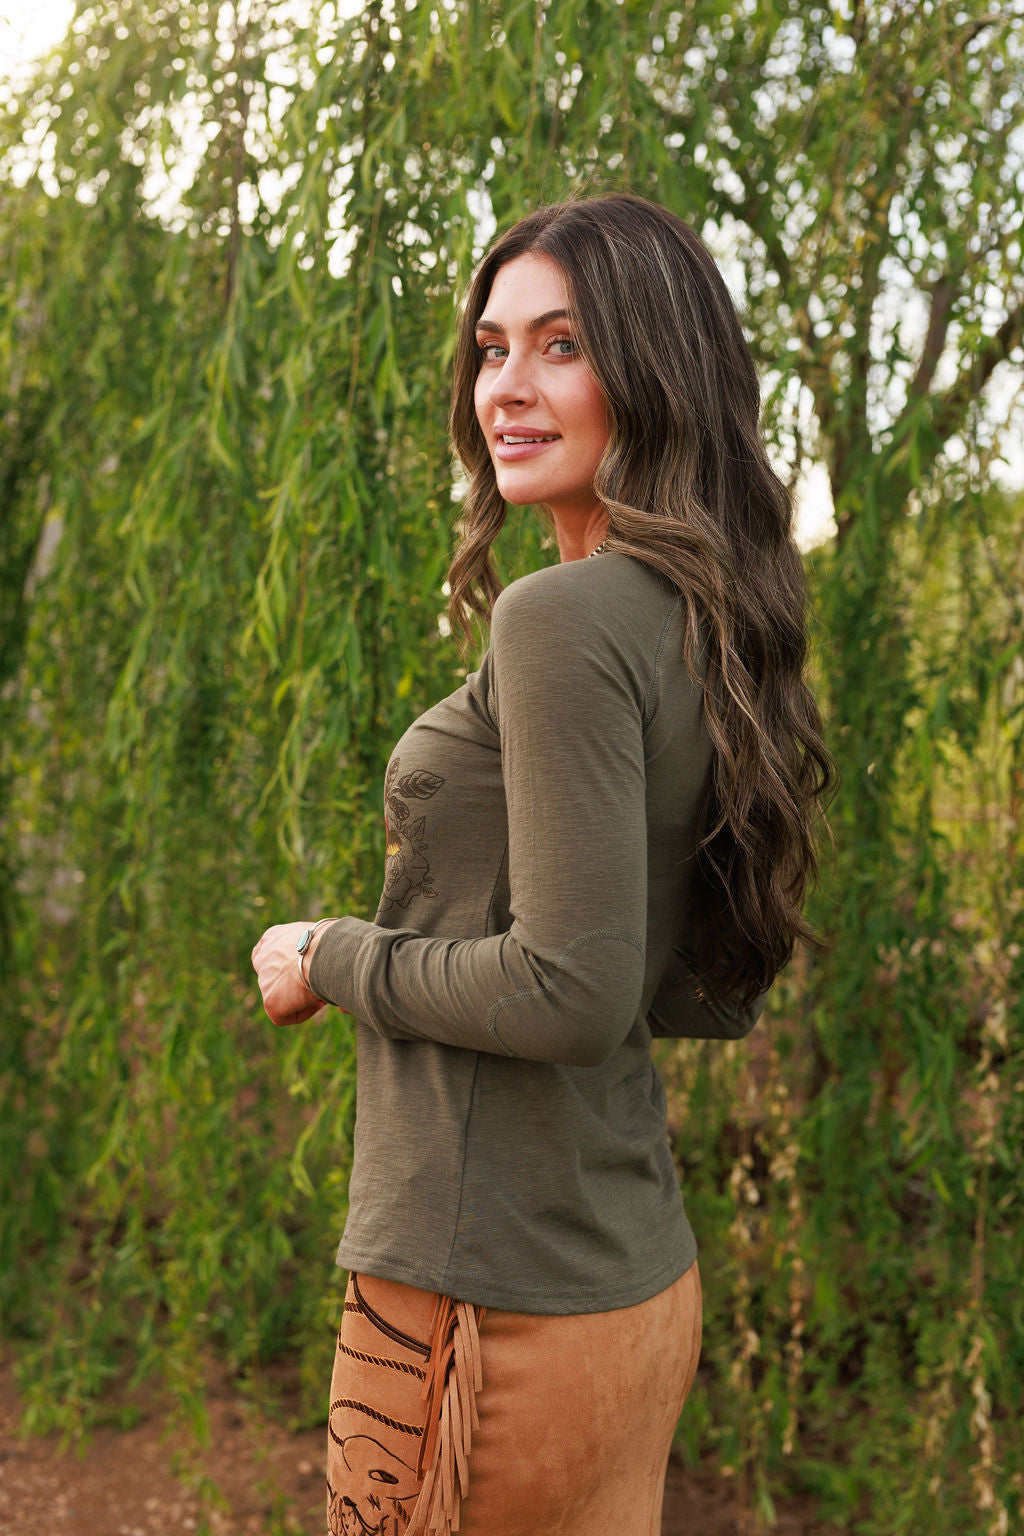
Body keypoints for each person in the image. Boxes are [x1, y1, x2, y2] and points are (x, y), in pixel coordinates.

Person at [251, 193, 834, 1536]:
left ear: (656, 371)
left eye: (560, 345)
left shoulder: (562, 617)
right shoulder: (704, 616)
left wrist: (331, 954)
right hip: (629, 1281)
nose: (505, 387)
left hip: (481, 1299)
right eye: (491, 348)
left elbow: (573, 994)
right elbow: (702, 986)